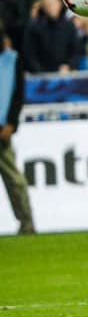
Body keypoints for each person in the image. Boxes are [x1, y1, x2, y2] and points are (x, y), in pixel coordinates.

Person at [0, 27, 35, 235]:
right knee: (14, 179)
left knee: (14, 180)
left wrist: (12, 123)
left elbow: (18, 94)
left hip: (2, 130)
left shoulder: (13, 60)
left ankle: (27, 222)